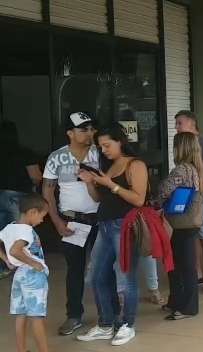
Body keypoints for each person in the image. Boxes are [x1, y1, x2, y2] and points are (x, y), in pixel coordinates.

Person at [76, 124, 148, 346]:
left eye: (107, 145)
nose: (104, 150)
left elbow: (139, 199)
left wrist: (111, 185)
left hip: (124, 226)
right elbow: (99, 199)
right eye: (101, 147)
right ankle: (106, 323)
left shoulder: (135, 165)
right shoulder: (109, 166)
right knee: (96, 276)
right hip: (105, 225)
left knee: (126, 278)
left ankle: (127, 324)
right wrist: (91, 183)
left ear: (120, 141)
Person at [41, 113, 99, 336]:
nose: (89, 133)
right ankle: (74, 315)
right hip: (72, 221)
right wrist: (56, 221)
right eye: (83, 129)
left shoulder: (99, 153)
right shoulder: (57, 157)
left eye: (91, 129)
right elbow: (47, 190)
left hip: (99, 219)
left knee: (104, 268)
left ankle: (109, 313)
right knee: (74, 270)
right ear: (70, 133)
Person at [156, 132, 203, 320]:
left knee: (183, 266)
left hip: (181, 223)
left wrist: (156, 201)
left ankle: (188, 306)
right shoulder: (195, 169)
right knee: (179, 264)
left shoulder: (181, 170)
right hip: (190, 222)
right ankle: (176, 300)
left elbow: (164, 189)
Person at [174, 110, 203, 296]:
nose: (177, 127)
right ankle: (198, 274)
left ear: (192, 123)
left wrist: (202, 190)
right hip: (186, 195)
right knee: (190, 235)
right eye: (176, 123)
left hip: (201, 197)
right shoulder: (181, 144)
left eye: (180, 123)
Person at [0, 193, 50, 352]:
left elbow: (12, 251)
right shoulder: (26, 230)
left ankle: (21, 350)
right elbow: (16, 250)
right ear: (32, 212)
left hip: (19, 275)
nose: (42, 221)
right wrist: (34, 263)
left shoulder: (10, 227)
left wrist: (6, 260)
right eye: (42, 216)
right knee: (37, 316)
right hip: (32, 275)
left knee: (20, 313)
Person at [0, 121, 42, 280]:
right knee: (20, 233)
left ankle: (4, 265)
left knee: (2, 234)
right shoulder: (25, 152)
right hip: (18, 196)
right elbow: (36, 176)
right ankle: (22, 265)